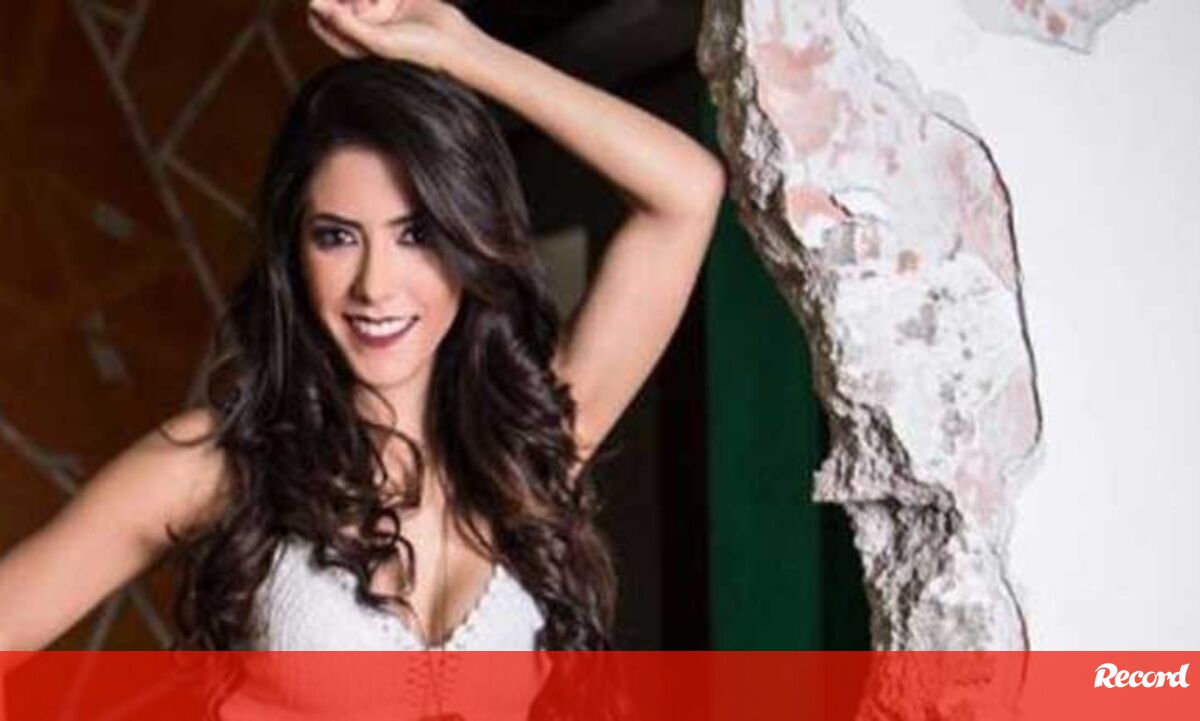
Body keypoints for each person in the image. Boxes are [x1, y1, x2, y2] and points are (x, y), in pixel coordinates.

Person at [0, 0, 724, 662]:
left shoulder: (529, 449)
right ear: (293, 252)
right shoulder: (221, 466)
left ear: (468, 238)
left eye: (416, 234)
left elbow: (687, 192)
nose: (375, 284)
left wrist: (466, 52)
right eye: (337, 236)